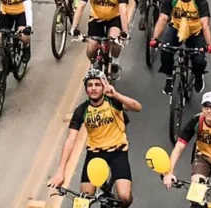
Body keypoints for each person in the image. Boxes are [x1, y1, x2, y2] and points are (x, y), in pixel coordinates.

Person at [48, 69, 142, 207]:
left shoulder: (113, 102)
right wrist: (61, 171)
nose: (93, 88)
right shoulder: (82, 110)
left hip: (118, 152)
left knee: (124, 198)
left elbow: (137, 107)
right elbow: (71, 140)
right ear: (86, 88)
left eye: (97, 84)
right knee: (83, 201)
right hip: (95, 154)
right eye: (90, 85)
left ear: (103, 86)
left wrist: (116, 95)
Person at [151, 0, 211, 93]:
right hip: (176, 28)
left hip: (195, 32)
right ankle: (169, 77)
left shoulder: (200, 0)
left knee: (199, 61)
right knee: (165, 51)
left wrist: (208, 44)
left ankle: (198, 76)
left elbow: (205, 24)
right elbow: (163, 18)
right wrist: (155, 38)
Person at [73, 0, 131, 73]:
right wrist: (74, 27)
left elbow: (123, 9)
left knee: (115, 40)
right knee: (92, 47)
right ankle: (93, 62)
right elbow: (80, 6)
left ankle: (115, 61)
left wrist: (125, 31)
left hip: (114, 18)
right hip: (96, 18)